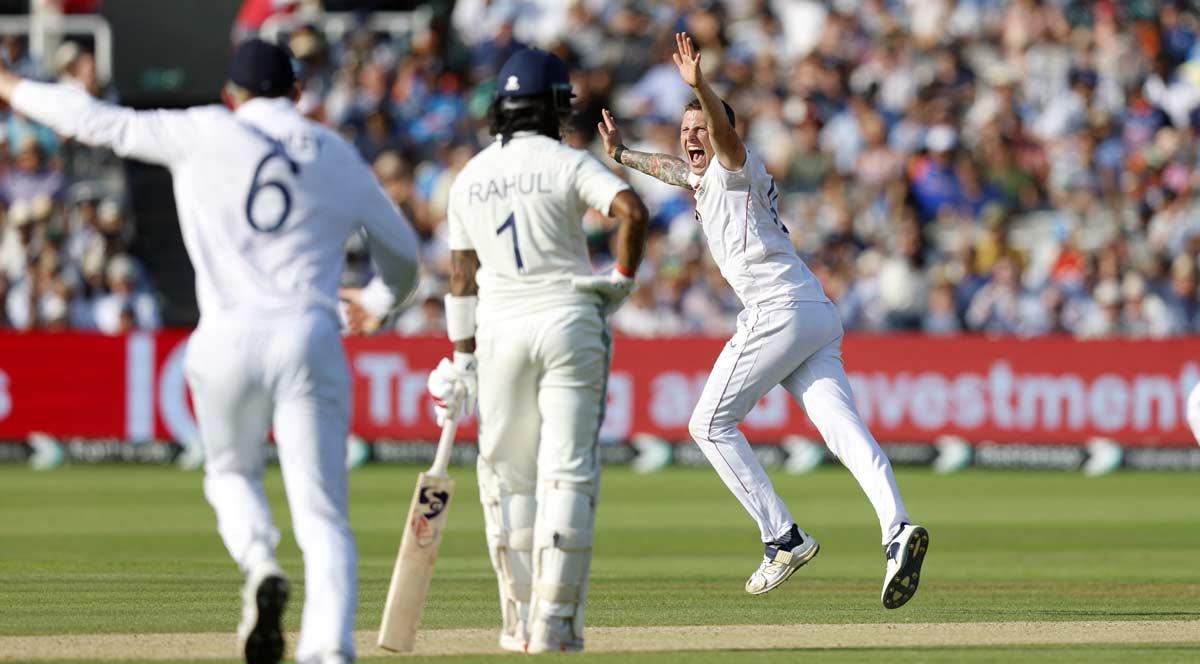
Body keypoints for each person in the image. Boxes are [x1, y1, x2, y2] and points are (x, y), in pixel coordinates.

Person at [0, 39, 420, 664]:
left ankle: (258, 563)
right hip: (308, 333)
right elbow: (405, 255)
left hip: (223, 338)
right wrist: (382, 301)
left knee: (228, 473)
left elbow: (93, 120)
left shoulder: (201, 130)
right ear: (299, 93)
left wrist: (11, 87)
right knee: (323, 514)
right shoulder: (334, 151)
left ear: (232, 94)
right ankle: (328, 650)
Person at [598, 33, 928, 609]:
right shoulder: (704, 176)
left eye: (700, 129)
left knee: (707, 425)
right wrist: (624, 155)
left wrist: (700, 87)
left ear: (724, 132)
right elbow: (677, 171)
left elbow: (721, 141)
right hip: (813, 312)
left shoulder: (733, 163)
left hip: (777, 310)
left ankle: (783, 536)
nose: (692, 139)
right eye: (686, 131)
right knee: (844, 433)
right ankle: (897, 530)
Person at [427, 48, 648, 652]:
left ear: (500, 110)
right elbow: (632, 209)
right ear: (558, 107)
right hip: (568, 316)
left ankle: (517, 621)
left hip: (497, 329)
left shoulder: (467, 176)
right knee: (567, 473)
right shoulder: (566, 160)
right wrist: (621, 280)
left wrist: (461, 357)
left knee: (506, 476)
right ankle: (557, 623)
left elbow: (460, 276)